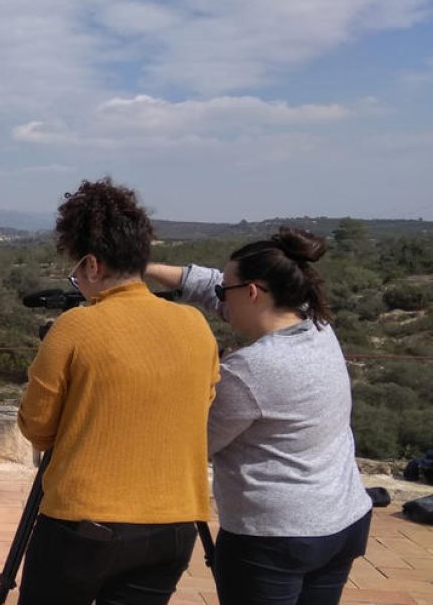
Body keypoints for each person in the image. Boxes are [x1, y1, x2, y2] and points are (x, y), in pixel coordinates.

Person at [16, 178, 220, 605]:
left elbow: (37, 427)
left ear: (92, 265)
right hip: (176, 525)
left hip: (84, 524)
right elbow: (202, 406)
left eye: (76, 272)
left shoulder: (75, 326)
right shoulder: (195, 326)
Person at [146, 228, 372, 604]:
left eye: (226, 291)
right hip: (342, 520)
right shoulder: (318, 326)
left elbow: (197, 442)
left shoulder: (250, 370)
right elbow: (215, 286)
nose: (220, 296)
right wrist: (144, 266)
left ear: (253, 292)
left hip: (275, 538)